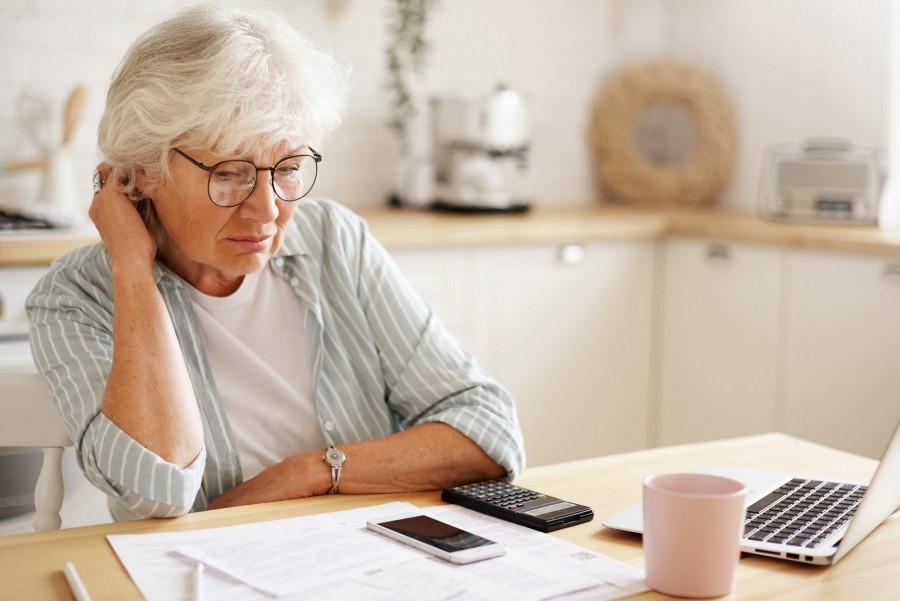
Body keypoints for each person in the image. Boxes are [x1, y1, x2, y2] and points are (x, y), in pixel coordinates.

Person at [26, 4, 525, 522]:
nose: (268, 210)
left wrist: (308, 474)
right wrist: (131, 269)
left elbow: (488, 432)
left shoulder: (334, 240)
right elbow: (158, 490)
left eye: (287, 168)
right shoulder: (74, 297)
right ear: (143, 171)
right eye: (230, 173)